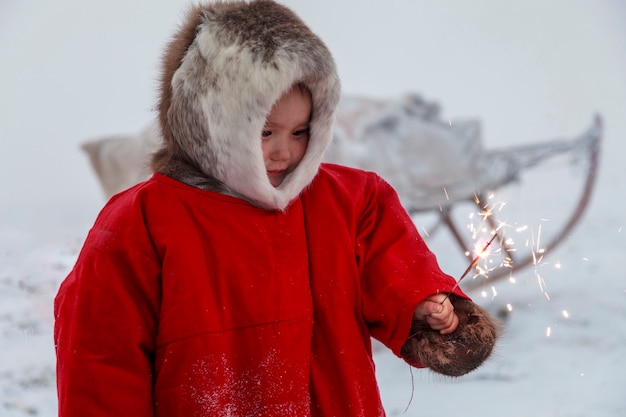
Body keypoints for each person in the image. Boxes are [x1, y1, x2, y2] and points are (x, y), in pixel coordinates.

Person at [54, 1, 499, 416]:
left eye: (300, 131)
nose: (285, 152)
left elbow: (395, 270)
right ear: (215, 120)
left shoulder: (351, 199)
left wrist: (425, 308)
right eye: (265, 132)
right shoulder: (141, 222)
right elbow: (100, 363)